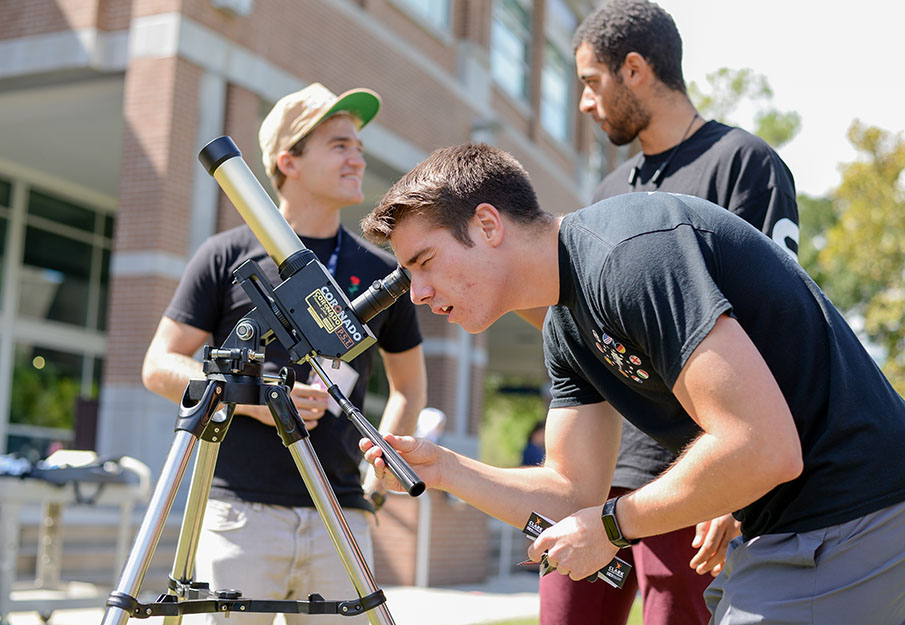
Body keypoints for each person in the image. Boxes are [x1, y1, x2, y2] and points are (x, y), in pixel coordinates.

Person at [358, 142, 905, 625]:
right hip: (799, 526)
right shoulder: (565, 325)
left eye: (424, 262)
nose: (418, 294)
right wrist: (447, 469)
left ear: (487, 225)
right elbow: (572, 491)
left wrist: (612, 527)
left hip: (857, 512)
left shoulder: (629, 256)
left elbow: (761, 447)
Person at [522, 2, 802, 623]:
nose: (585, 105)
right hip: (599, 473)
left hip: (693, 477)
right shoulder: (607, 191)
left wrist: (736, 486)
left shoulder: (744, 163)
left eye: (592, 83)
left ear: (636, 69)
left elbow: (776, 330)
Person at [142, 82, 427, 624]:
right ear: (287, 161)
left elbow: (410, 386)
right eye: (339, 144)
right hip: (240, 515)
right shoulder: (225, 255)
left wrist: (379, 479)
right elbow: (159, 366)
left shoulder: (380, 272)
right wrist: (254, 402)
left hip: (340, 514)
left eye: (359, 146)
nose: (357, 156)